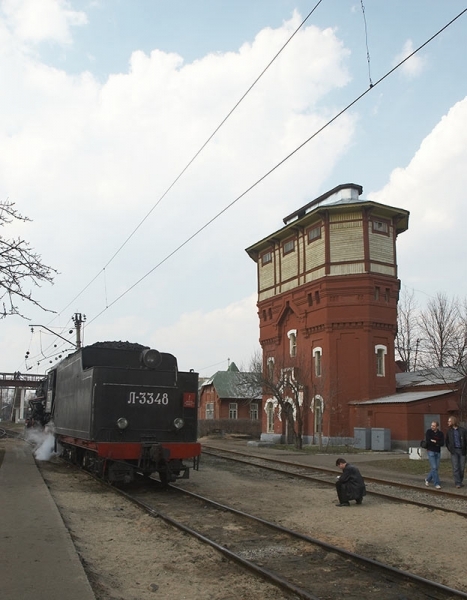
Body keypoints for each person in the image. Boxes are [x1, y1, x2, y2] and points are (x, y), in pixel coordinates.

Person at [445, 416, 467, 488]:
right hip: (454, 451)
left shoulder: (462, 430)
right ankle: (457, 482)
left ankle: (460, 481)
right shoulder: (449, 431)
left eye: (449, 421)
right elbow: (447, 442)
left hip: (462, 450)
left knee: (462, 467)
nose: (448, 423)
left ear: (453, 421)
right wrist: (450, 449)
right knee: (455, 467)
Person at [424, 421, 444, 489]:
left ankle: (428, 479)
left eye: (434, 426)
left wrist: (435, 441)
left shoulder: (440, 434)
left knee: (435, 468)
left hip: (437, 452)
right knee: (434, 467)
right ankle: (437, 483)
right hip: (430, 451)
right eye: (431, 425)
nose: (432, 427)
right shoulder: (429, 432)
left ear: (437, 427)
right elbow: (428, 441)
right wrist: (436, 442)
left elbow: (442, 443)